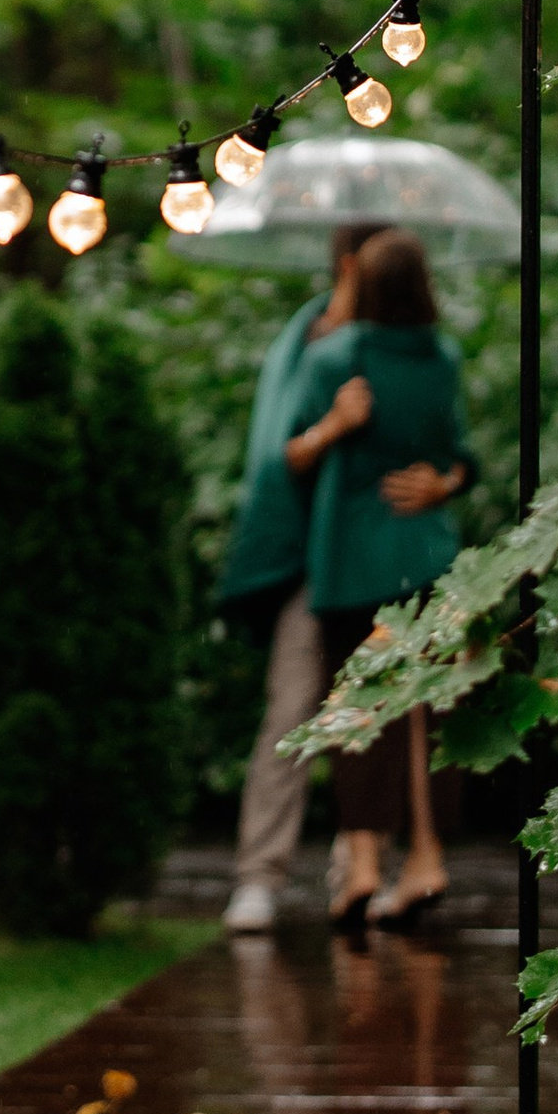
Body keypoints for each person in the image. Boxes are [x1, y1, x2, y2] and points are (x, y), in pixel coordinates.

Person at [284, 227, 475, 932]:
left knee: (361, 710)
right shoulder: (443, 358)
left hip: (353, 558)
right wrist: (444, 485)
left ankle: (363, 865)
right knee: (428, 716)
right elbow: (462, 457)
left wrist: (335, 426)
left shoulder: (333, 356)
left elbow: (293, 457)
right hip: (428, 553)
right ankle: (425, 859)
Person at [217, 221, 387, 932]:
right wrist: (335, 427)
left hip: (376, 557)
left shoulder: (395, 343)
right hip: (308, 562)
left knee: (373, 717)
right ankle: (260, 876)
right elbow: (282, 451)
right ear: (350, 264)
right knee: (291, 713)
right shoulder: (307, 340)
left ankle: (362, 869)